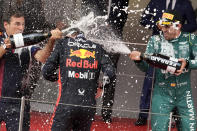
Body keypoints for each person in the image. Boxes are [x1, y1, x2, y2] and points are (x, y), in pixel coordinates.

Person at [130, 10, 197, 131]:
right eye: (162, 26)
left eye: (167, 26)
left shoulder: (191, 39)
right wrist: (138, 60)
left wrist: (187, 63)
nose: (163, 29)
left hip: (184, 95)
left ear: (178, 26)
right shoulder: (155, 40)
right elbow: (146, 67)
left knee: (190, 128)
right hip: (162, 94)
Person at [42, 28, 116, 131]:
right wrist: (101, 87)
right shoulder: (97, 48)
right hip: (87, 107)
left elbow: (46, 72)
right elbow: (111, 74)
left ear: (70, 36)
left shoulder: (63, 44)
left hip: (66, 104)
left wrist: (59, 77)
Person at [0, 9, 62, 131]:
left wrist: (51, 40)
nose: (21, 28)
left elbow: (43, 57)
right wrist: (6, 46)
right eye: (17, 24)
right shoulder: (1, 40)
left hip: (18, 102)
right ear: (6, 25)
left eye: (23, 24)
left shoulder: (27, 42)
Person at [81, 0, 129, 123]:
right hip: (93, 37)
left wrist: (110, 26)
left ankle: (106, 113)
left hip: (113, 39)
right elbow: (85, 12)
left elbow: (123, 17)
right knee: (90, 72)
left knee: (110, 76)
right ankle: (88, 109)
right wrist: (99, 25)